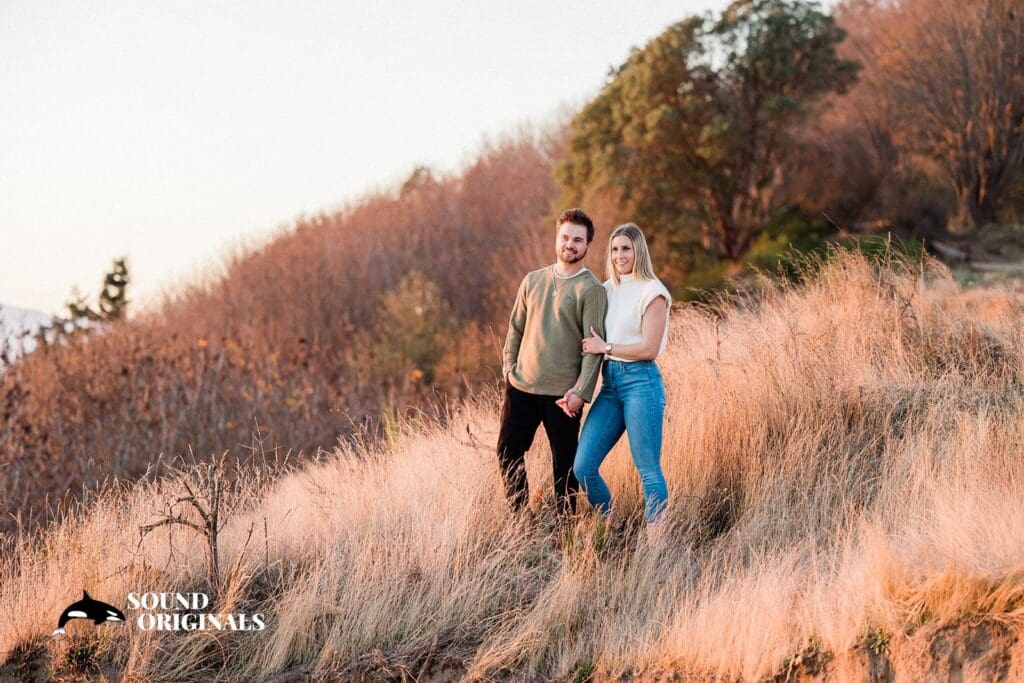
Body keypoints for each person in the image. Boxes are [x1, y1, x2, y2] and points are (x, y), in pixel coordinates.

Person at [498, 208, 608, 517]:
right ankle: (521, 521)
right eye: (564, 238)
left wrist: (581, 393)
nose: (569, 245)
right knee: (508, 453)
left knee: (565, 466)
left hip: (564, 396)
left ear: (587, 246)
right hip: (522, 387)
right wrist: (509, 368)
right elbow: (515, 328)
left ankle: (565, 530)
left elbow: (593, 348)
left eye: (577, 240)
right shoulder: (532, 280)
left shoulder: (592, 289)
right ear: (556, 239)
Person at [572, 222, 671, 528]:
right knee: (583, 467)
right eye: (614, 249)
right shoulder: (606, 290)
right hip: (610, 383)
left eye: (625, 248)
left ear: (638, 250)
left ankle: (656, 547)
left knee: (648, 469)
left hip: (641, 382)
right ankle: (616, 526)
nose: (619, 255)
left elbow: (649, 348)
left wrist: (607, 346)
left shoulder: (653, 291)